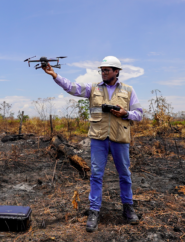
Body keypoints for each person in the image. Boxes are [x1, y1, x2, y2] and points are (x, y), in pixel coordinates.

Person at [42, 56, 144, 232]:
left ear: (116, 71)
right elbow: (72, 87)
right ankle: (94, 211)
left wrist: (125, 113)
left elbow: (139, 114)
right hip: (99, 139)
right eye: (102, 70)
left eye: (107, 70)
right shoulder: (93, 88)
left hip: (120, 139)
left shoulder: (128, 90)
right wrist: (54, 75)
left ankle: (128, 208)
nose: (103, 72)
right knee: (96, 175)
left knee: (125, 175)